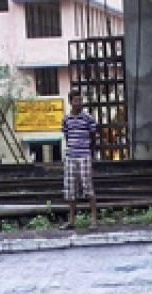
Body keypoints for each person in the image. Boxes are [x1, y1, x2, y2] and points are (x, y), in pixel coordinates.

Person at [61, 92, 98, 229]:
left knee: (88, 187)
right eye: (76, 100)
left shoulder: (88, 118)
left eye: (80, 100)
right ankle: (71, 221)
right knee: (71, 189)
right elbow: (66, 136)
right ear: (71, 102)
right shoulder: (66, 119)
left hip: (84, 156)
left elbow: (93, 136)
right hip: (70, 156)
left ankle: (94, 220)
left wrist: (89, 152)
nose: (79, 103)